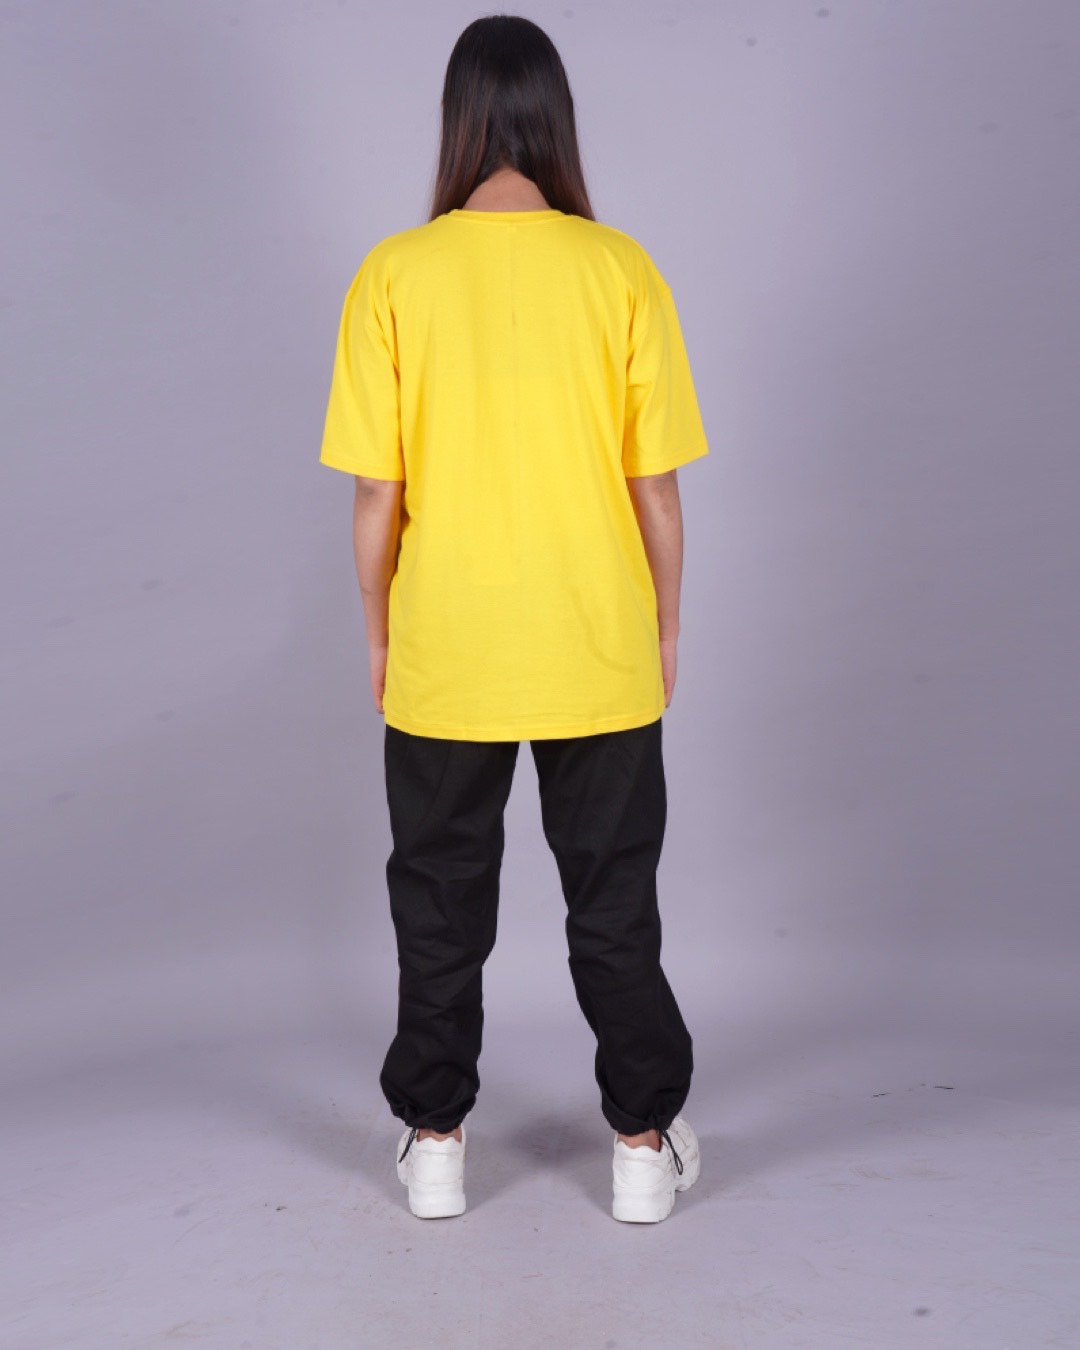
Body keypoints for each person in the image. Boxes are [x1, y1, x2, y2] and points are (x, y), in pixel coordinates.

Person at [318, 14, 708, 1223]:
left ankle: (436, 1142)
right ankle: (641, 1147)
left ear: (459, 122)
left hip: (450, 644)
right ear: (555, 121)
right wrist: (665, 627)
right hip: (596, 636)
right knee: (615, 906)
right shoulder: (621, 267)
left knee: (438, 905)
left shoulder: (394, 273)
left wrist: (380, 632)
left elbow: (376, 495)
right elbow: (655, 487)